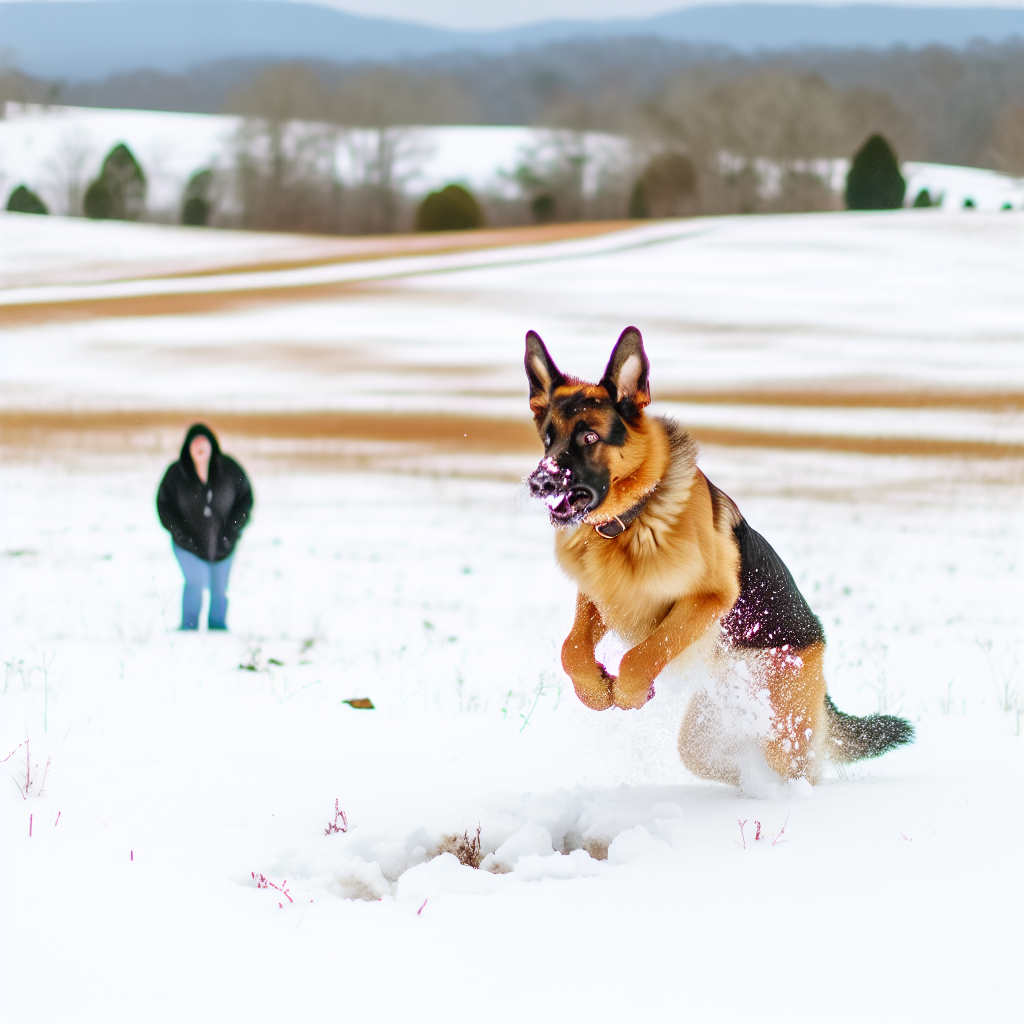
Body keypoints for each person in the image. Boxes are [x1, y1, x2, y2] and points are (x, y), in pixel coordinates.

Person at [157, 424, 253, 630]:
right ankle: (188, 628)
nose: (200, 445)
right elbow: (164, 505)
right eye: (195, 442)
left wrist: (232, 531)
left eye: (204, 441)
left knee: (219, 589)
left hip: (224, 543)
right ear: (188, 447)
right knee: (196, 581)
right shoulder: (177, 473)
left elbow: (246, 499)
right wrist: (180, 533)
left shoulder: (229, 469)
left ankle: (217, 629)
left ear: (212, 446)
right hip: (187, 545)